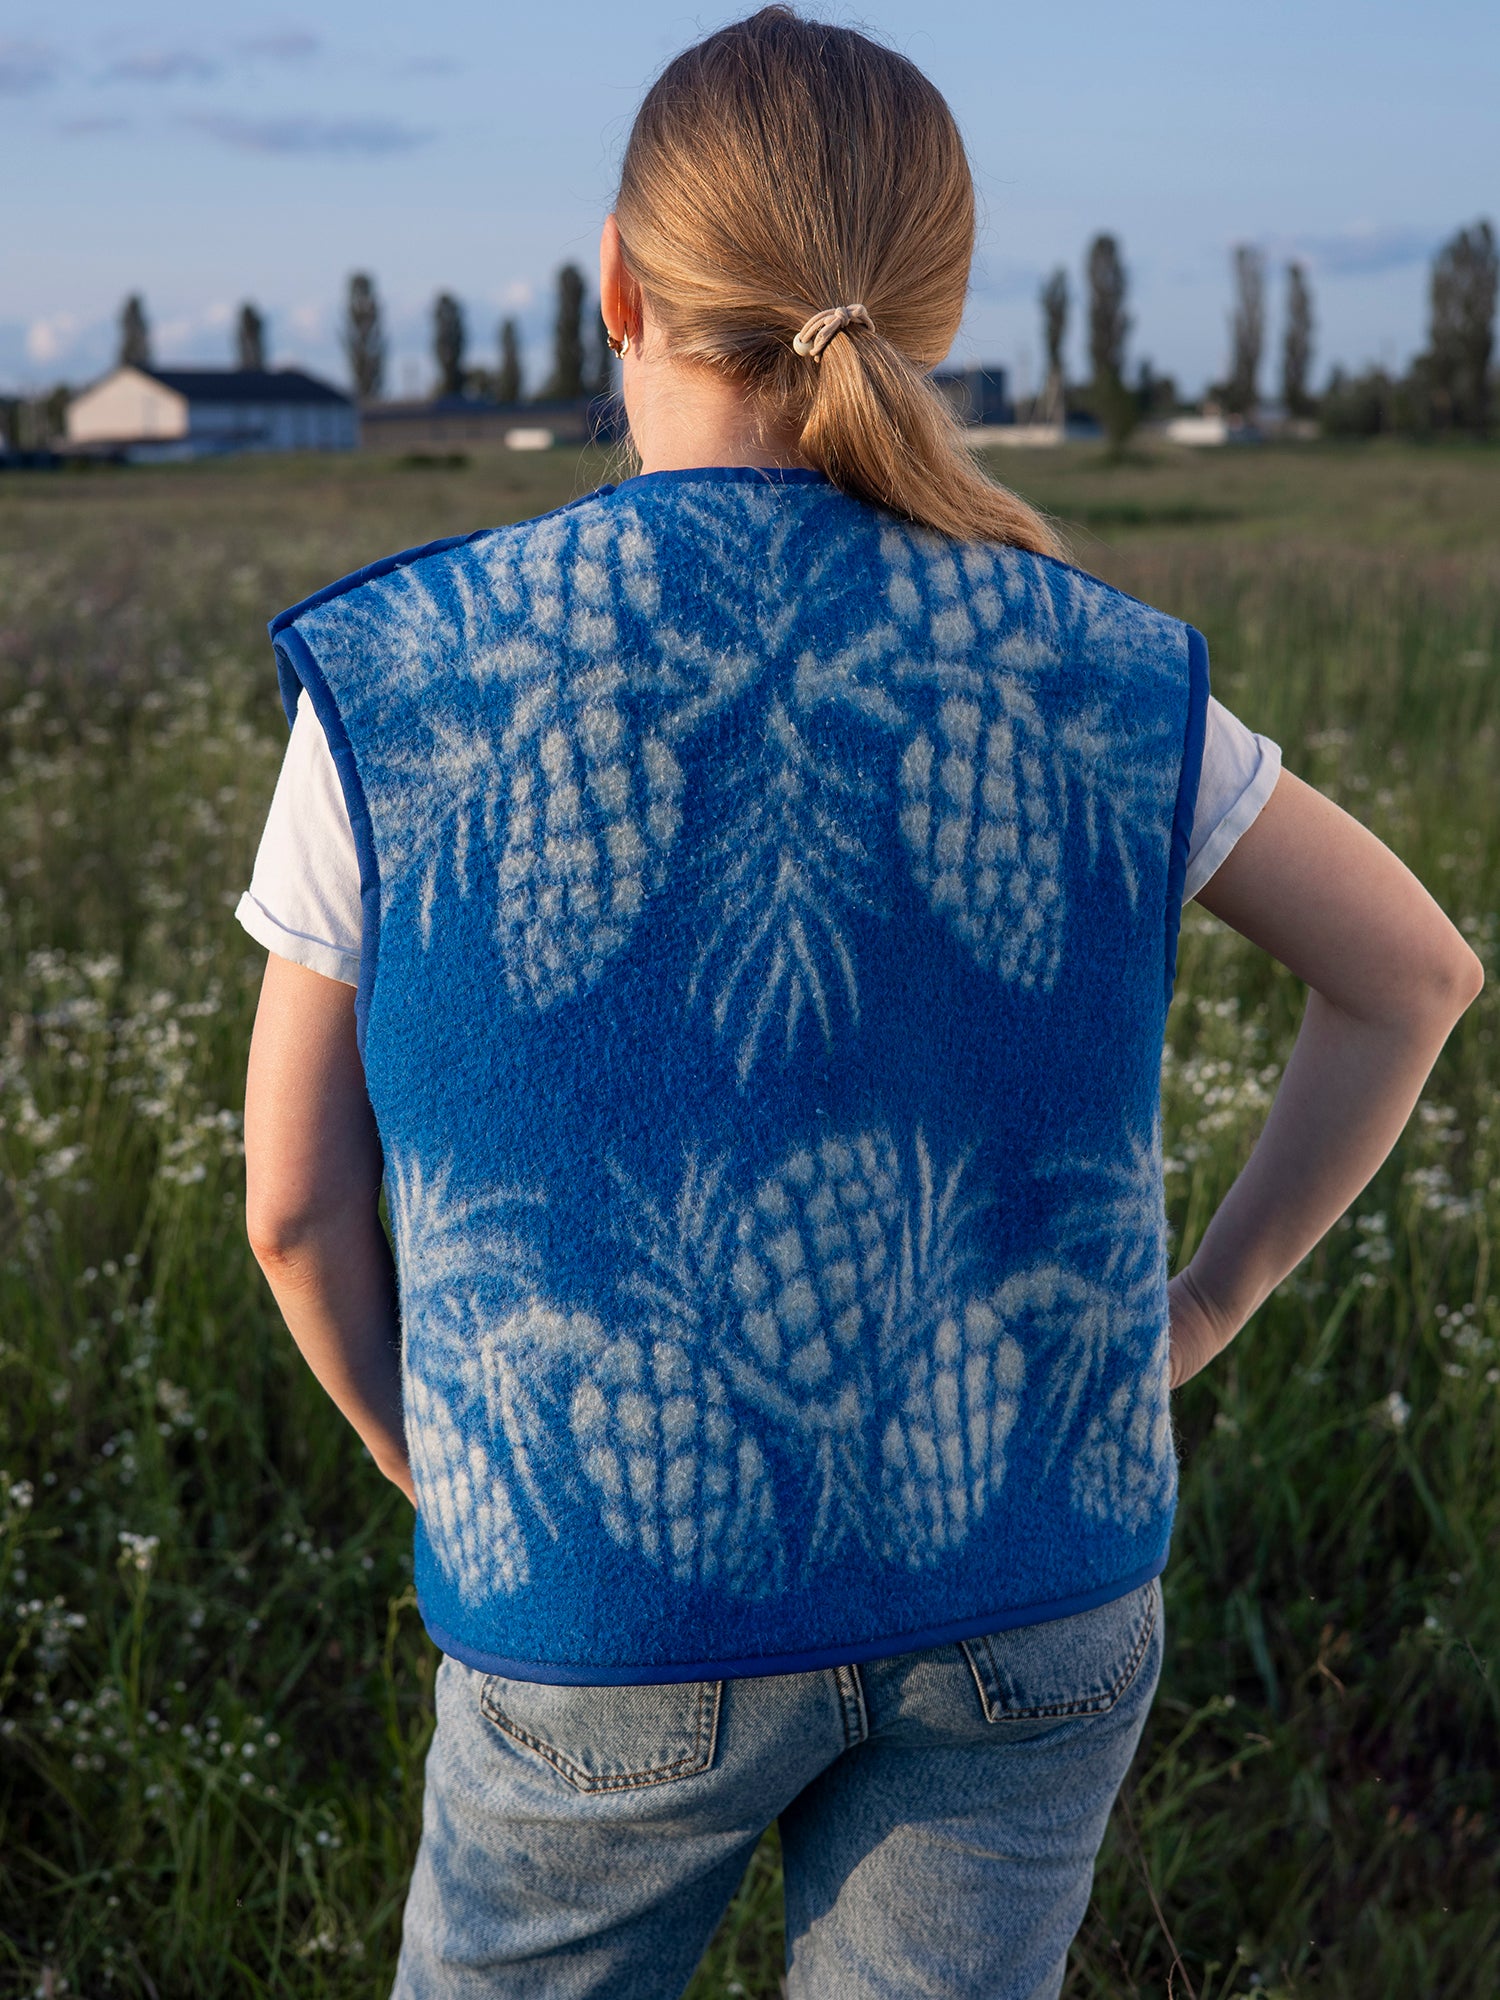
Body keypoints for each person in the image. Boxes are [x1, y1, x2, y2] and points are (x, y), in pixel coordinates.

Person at [239, 11, 1483, 1997]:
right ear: (945, 306)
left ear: (619, 291)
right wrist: (1203, 1310)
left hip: (594, 1590)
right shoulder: (1099, 663)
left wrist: (439, 1456)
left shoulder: (410, 681)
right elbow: (1415, 973)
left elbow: (292, 1211)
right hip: (1033, 1573)